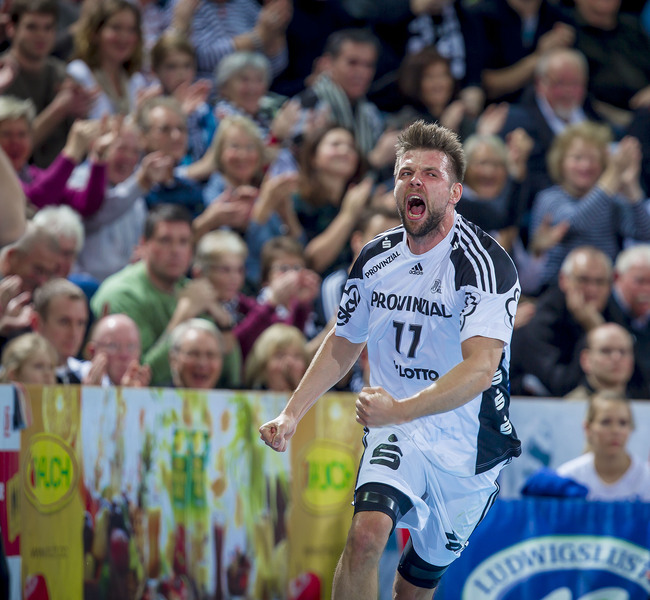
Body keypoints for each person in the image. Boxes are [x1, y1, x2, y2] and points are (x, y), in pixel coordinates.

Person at [260, 120, 521, 598]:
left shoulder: (484, 263)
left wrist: (399, 409)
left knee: (414, 587)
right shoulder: (375, 258)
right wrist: (292, 413)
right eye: (406, 173)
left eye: (431, 174)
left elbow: (481, 369)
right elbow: (344, 340)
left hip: (469, 444)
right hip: (397, 427)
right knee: (364, 538)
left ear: (455, 192)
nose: (415, 181)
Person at [90, 204, 220, 385]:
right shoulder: (122, 294)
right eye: (165, 240)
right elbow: (138, 374)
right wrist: (183, 317)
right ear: (144, 244)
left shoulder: (192, 290)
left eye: (183, 242)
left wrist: (224, 324)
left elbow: (229, 375)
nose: (175, 250)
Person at [530, 122, 650, 288]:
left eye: (593, 159)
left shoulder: (610, 199)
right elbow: (577, 222)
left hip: (604, 286)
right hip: (559, 287)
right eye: (577, 158)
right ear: (560, 161)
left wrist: (631, 187)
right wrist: (613, 174)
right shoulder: (549, 198)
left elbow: (645, 233)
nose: (585, 166)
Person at [510, 246, 617, 396]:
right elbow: (561, 387)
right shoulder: (540, 319)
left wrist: (598, 328)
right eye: (583, 280)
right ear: (563, 280)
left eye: (600, 282)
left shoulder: (613, 312)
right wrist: (593, 332)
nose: (592, 290)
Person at [2, 0, 95, 167]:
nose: (41, 35)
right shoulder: (3, 75)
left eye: (48, 27)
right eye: (32, 27)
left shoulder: (62, 74)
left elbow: (81, 148)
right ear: (11, 28)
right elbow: (11, 151)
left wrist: (80, 114)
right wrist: (58, 110)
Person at [556, 393, 650, 501]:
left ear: (631, 428)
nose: (615, 430)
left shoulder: (646, 478)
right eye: (606, 422)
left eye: (623, 423)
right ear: (587, 428)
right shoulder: (568, 478)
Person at [67, 0, 148, 119]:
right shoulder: (79, 73)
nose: (124, 37)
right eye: (116, 28)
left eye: (131, 29)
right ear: (95, 33)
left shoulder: (136, 81)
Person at [31, 277, 90, 384]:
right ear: (37, 323)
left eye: (80, 323)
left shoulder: (89, 375)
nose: (74, 333)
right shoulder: (13, 376)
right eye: (64, 322)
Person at [564, 322, 636, 399]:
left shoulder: (642, 402)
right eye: (606, 351)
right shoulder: (570, 405)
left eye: (623, 352)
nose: (616, 358)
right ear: (586, 359)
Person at [85, 313, 151, 387]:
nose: (124, 355)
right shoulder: (76, 380)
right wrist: (90, 392)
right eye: (113, 346)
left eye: (131, 346)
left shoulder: (150, 390)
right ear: (92, 352)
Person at [244, 323, 308, 391]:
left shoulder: (315, 396)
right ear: (262, 366)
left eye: (297, 356)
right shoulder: (241, 395)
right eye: (280, 355)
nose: (290, 362)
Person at [168, 318, 224, 389]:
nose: (202, 363)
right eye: (193, 354)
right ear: (173, 359)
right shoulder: (155, 394)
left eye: (210, 355)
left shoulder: (233, 394)